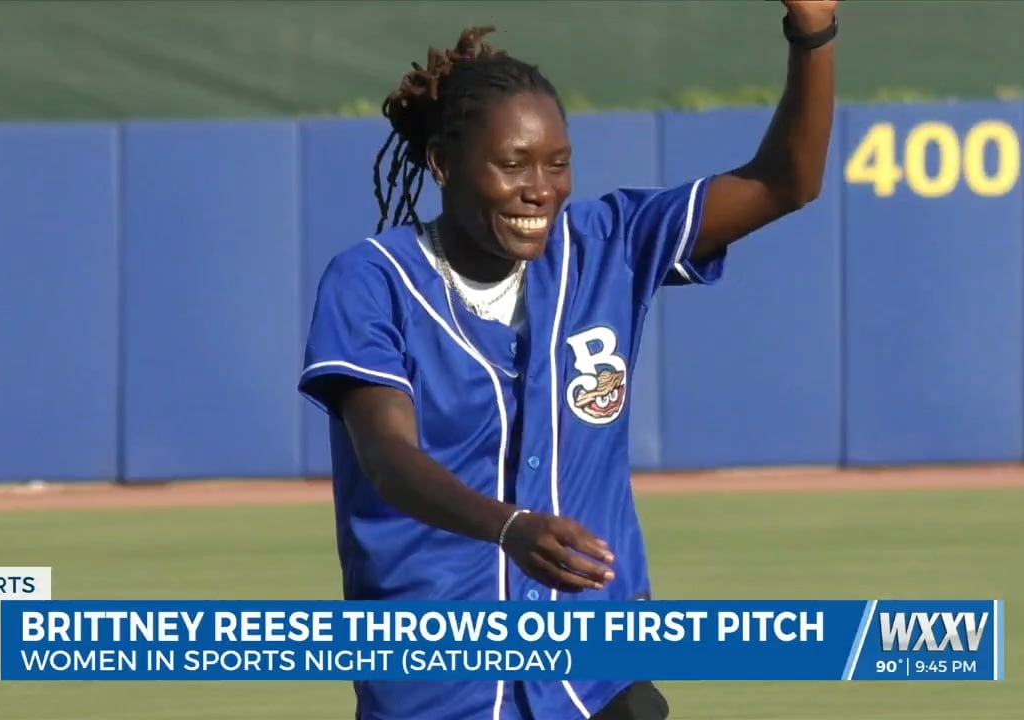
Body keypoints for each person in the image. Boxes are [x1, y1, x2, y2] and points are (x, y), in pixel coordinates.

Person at [298, 2, 838, 718]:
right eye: (512, 163)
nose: (540, 188)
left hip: (596, 668)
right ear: (443, 162)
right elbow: (386, 458)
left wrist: (815, 31)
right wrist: (509, 526)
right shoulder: (372, 280)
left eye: (557, 163)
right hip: (440, 680)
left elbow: (786, 182)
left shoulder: (608, 245)